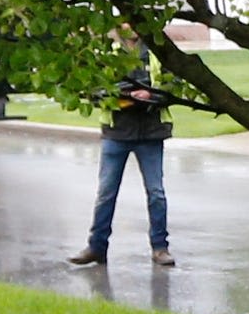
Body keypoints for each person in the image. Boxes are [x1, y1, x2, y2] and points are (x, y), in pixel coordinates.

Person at [68, 54, 172, 267]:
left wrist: (150, 94)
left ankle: (160, 248)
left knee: (156, 193)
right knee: (106, 193)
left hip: (150, 133)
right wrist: (124, 96)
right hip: (116, 133)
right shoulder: (108, 52)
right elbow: (93, 91)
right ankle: (96, 247)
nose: (129, 25)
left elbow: (172, 89)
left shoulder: (156, 52)